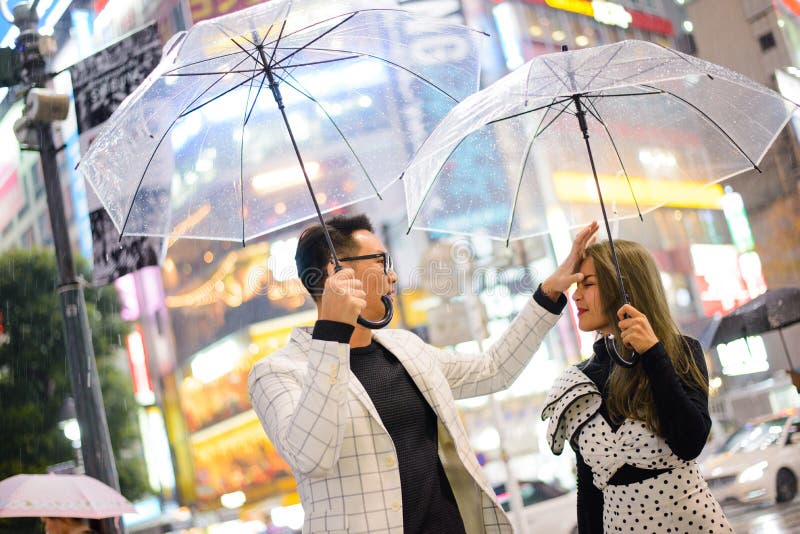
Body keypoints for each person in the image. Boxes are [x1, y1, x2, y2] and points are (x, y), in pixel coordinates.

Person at [248, 213, 598, 533]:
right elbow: (312, 456)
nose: (393, 275)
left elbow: (493, 369)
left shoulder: (405, 347)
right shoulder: (277, 373)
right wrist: (331, 335)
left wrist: (550, 291)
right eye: (381, 262)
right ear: (337, 271)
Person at [541, 240, 733, 533]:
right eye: (576, 286)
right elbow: (588, 493)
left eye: (588, 284)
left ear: (625, 287)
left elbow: (690, 442)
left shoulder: (679, 352)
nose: (576, 296)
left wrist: (653, 355)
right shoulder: (579, 382)